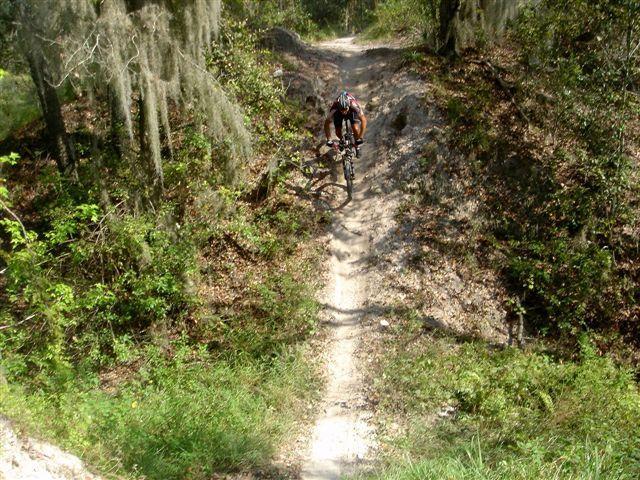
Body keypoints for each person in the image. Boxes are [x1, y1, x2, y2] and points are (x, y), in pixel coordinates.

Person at [324, 91, 367, 158]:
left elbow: (363, 121)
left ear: (348, 106)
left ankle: (357, 147)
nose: (344, 112)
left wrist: (360, 137)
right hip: (338, 113)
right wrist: (329, 139)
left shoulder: (354, 105)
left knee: (355, 128)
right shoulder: (334, 109)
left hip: (351, 111)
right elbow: (326, 124)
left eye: (345, 109)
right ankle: (341, 141)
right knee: (338, 132)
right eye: (342, 110)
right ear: (339, 107)